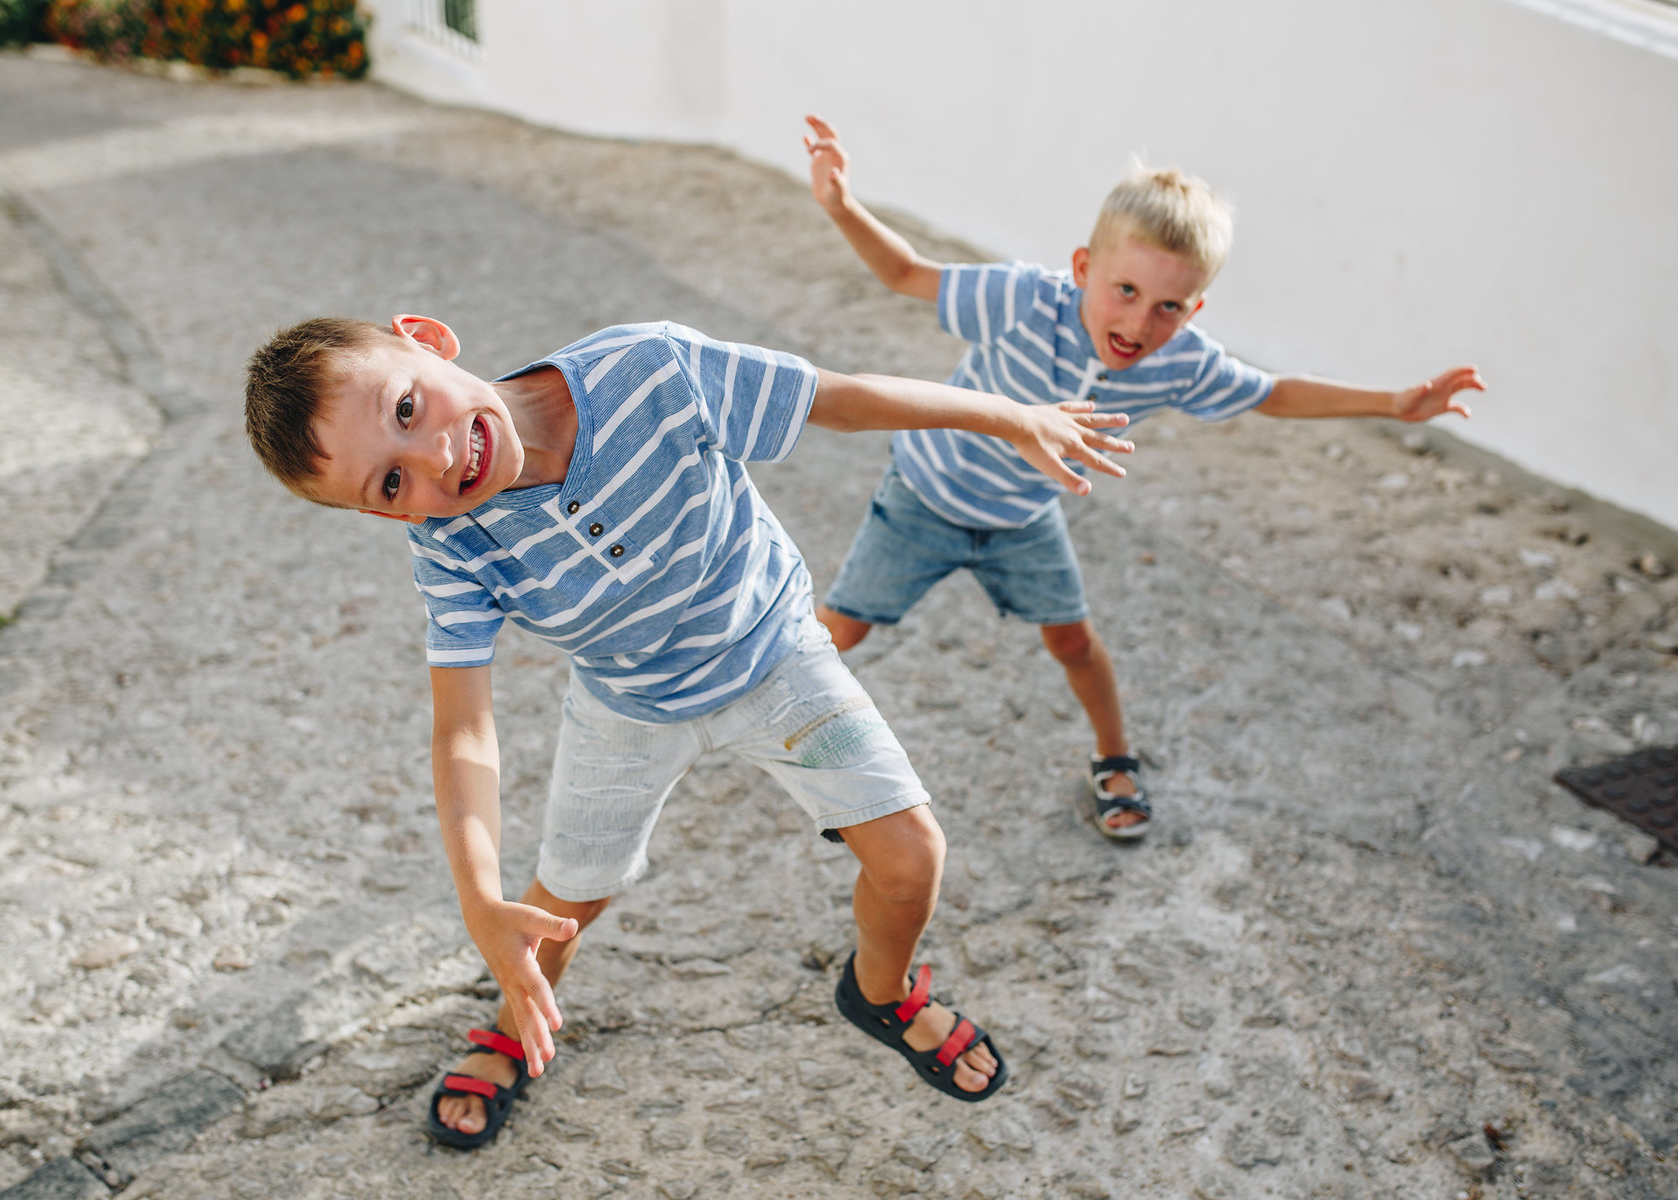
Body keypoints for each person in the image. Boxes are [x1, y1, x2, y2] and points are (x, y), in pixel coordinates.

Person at [242, 314, 1137, 1145]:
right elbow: (462, 732)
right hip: (627, 705)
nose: (434, 456)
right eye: (391, 480)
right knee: (551, 917)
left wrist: (1011, 417)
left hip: (777, 659)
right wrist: (480, 900)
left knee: (912, 860)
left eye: (407, 406)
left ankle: (881, 992)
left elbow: (841, 396)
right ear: (380, 513)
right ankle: (520, 1021)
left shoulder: (650, 370)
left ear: (428, 340)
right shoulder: (451, 542)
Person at [802, 114, 1486, 841]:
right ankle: (781, 724)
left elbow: (1273, 392)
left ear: (1195, 310)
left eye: (1169, 307)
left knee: (1072, 641)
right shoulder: (1023, 301)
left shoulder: (1181, 362)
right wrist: (842, 205)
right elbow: (907, 273)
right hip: (925, 495)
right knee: (840, 630)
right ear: (1082, 269)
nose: (1140, 321)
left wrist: (1391, 404)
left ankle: (1114, 755)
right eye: (1124, 290)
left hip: (1025, 519)